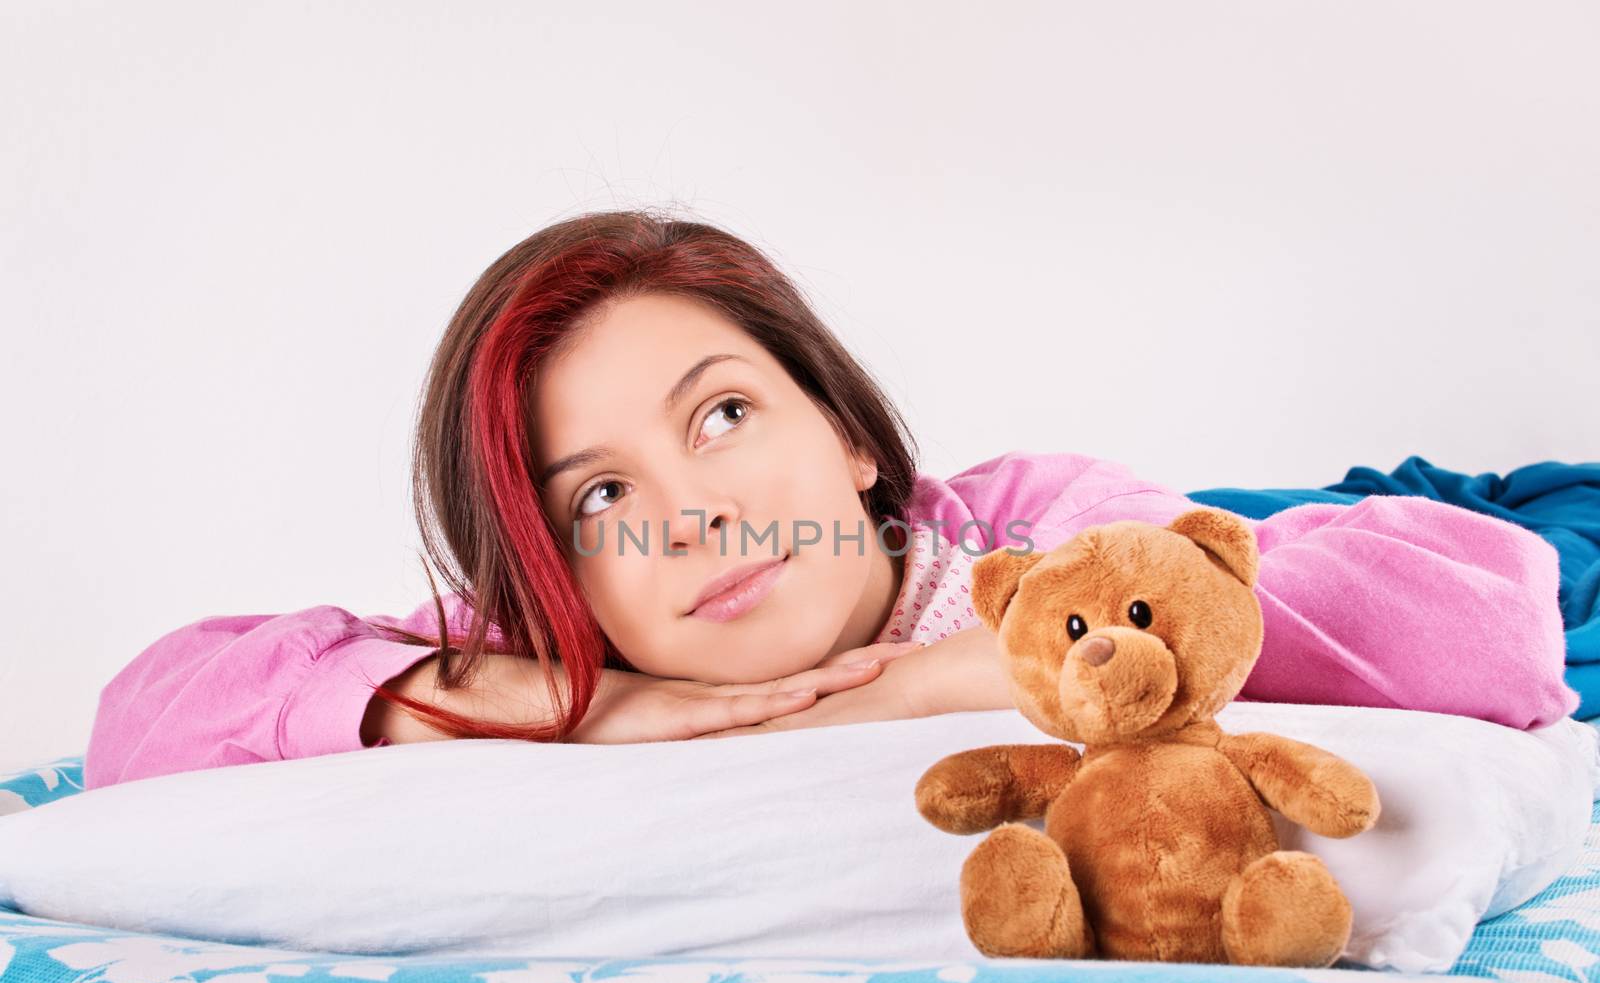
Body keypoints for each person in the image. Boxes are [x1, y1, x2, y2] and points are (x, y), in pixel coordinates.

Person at [82, 209, 1580, 790]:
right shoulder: (559, 644)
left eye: (723, 416)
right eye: (600, 496)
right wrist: (591, 709)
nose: (692, 519)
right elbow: (142, 719)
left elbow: (1494, 623)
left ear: (850, 433)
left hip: (1178, 530)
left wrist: (963, 669)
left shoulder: (1030, 528)